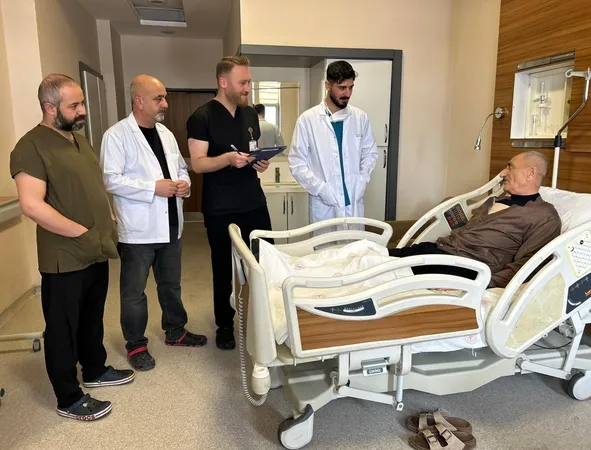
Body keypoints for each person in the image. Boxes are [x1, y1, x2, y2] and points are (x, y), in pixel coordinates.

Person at [10, 74, 134, 421]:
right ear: (50, 108)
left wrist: (108, 218)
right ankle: (68, 397)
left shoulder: (80, 141)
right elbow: (32, 205)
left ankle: (94, 368)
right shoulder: (30, 146)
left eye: (82, 103)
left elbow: (92, 186)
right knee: (62, 328)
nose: (83, 111)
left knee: (91, 316)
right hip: (64, 255)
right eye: (74, 105)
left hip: (95, 248)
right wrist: (82, 233)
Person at [100, 74, 207, 371]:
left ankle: (175, 331)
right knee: (134, 292)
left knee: (171, 284)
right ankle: (136, 344)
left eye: (165, 97)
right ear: (139, 101)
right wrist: (152, 188)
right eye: (159, 98)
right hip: (139, 230)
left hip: (170, 224)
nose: (165, 103)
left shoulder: (166, 134)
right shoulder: (117, 135)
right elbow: (111, 180)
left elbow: (181, 168)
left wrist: (184, 184)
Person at [186, 56, 272, 350]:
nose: (248, 87)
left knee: (263, 260)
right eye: (243, 82)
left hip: (253, 201)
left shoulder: (249, 115)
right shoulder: (202, 117)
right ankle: (225, 324)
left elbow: (252, 150)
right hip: (221, 207)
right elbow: (198, 164)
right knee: (223, 267)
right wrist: (226, 159)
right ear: (223, 82)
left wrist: (259, 162)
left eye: (249, 81)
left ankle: (264, 315)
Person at [388, 151, 561, 288]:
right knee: (378, 258)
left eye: (510, 167)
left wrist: (479, 284)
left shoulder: (544, 216)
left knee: (382, 276)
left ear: (531, 173)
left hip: (464, 268)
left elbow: (527, 266)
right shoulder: (493, 201)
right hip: (437, 251)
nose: (502, 173)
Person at [288, 60, 378, 231]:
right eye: (342, 88)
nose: (347, 93)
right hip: (325, 205)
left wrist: (362, 180)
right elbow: (297, 163)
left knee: (355, 246)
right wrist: (321, 189)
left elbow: (370, 153)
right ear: (328, 85)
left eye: (351, 87)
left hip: (353, 202)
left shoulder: (360, 118)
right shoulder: (308, 120)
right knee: (326, 247)